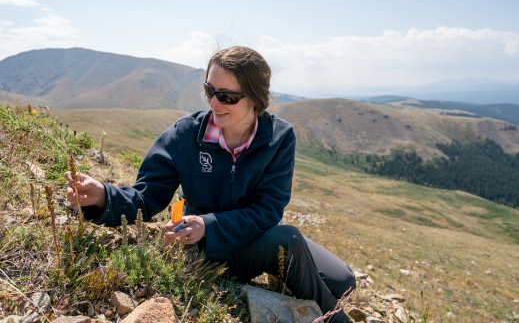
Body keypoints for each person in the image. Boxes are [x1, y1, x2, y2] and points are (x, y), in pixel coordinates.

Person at [65, 46, 355, 322]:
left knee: (344, 282)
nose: (214, 103)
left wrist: (212, 223)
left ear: (255, 96)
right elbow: (147, 197)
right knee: (289, 240)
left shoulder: (279, 138)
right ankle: (336, 321)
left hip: (250, 237)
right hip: (203, 247)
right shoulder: (185, 134)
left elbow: (268, 210)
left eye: (227, 96)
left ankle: (282, 272)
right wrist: (104, 196)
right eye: (209, 91)